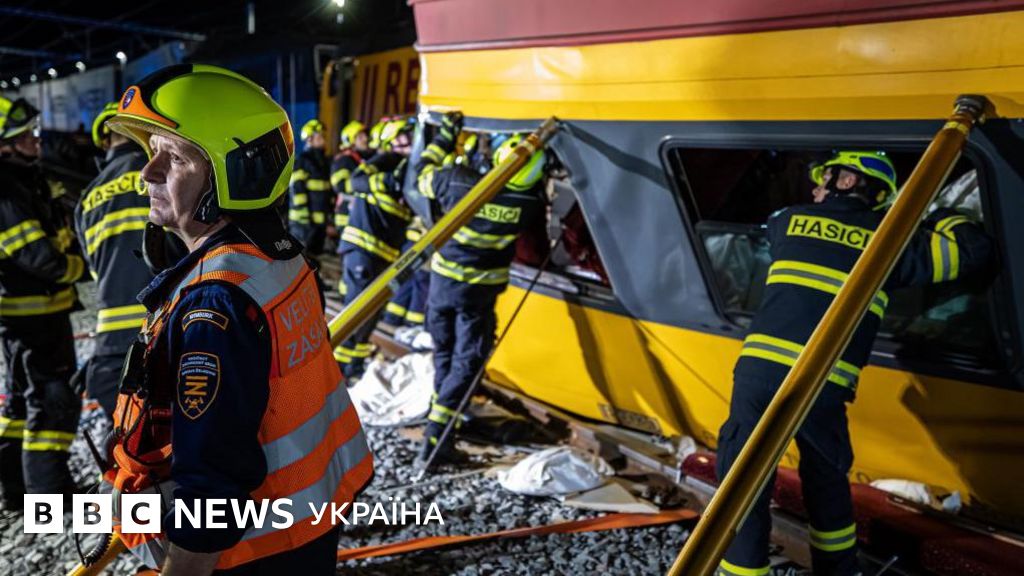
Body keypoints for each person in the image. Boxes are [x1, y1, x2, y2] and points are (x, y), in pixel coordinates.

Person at [102, 64, 372, 575]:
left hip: (250, 551)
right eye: (151, 151)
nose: (147, 173)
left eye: (174, 157)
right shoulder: (277, 256)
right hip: (308, 520)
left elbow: (212, 478)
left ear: (235, 174)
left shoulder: (216, 303)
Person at [716, 151, 993, 576]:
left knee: (743, 478)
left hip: (759, 374)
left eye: (824, 179)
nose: (816, 188)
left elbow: (779, 228)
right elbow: (971, 250)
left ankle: (743, 572)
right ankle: (839, 571)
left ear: (846, 182)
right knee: (826, 482)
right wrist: (934, 215)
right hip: (823, 385)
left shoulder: (788, 220)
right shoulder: (891, 242)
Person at [414, 112, 546, 465]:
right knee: (467, 363)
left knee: (445, 357)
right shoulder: (529, 204)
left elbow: (420, 175)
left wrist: (446, 136)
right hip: (477, 299)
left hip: (441, 290)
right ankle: (437, 438)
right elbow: (537, 250)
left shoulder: (457, 182)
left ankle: (441, 431)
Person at [0, 96, 85, 510]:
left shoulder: (24, 180)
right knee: (53, 403)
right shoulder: (7, 190)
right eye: (25, 135)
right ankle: (51, 498)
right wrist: (80, 268)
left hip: (31, 317)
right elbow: (37, 256)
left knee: (20, 403)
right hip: (35, 319)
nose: (35, 139)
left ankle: (15, 490)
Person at [73, 102, 165, 419]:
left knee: (126, 438)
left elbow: (94, 269)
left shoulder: (87, 199)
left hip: (111, 344)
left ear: (104, 142)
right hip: (163, 327)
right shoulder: (161, 174)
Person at [333, 117, 415, 379]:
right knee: (355, 312)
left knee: (371, 314)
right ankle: (334, 370)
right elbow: (355, 181)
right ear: (393, 140)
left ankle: (354, 366)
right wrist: (389, 182)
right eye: (405, 136)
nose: (411, 141)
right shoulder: (386, 160)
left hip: (385, 256)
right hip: (363, 250)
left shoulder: (412, 168)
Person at [287, 118, 332, 256]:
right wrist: (303, 219)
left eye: (323, 136)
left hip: (319, 223)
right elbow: (297, 191)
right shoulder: (302, 161)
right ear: (309, 139)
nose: (323, 140)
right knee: (301, 258)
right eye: (320, 136)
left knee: (314, 258)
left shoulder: (323, 161)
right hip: (303, 223)